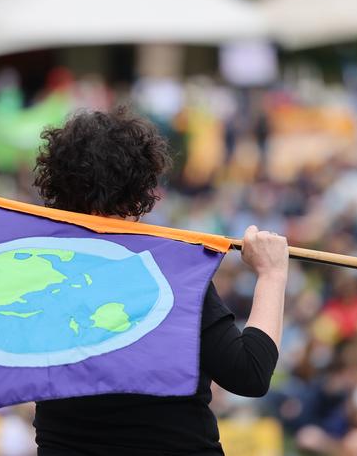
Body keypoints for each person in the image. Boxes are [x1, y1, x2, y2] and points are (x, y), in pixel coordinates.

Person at [32, 107, 289, 456]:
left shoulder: (32, 272)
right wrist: (272, 275)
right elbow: (249, 373)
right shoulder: (167, 271)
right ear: (141, 184)